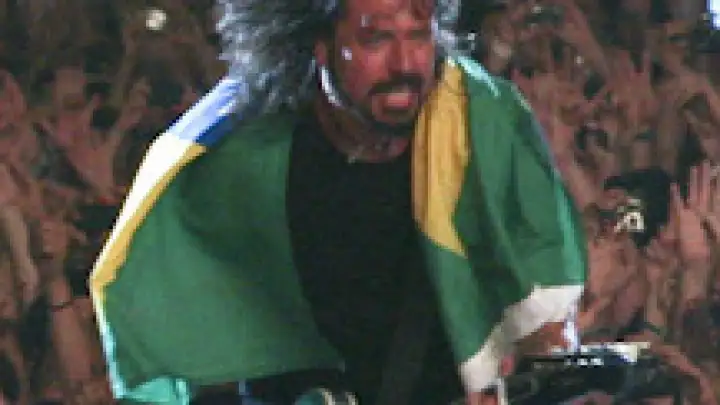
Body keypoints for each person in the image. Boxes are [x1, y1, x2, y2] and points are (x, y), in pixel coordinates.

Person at [88, 0, 587, 404]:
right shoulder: (245, 155)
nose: (406, 64)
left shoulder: (482, 125)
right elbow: (180, 289)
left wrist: (531, 373)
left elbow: (544, 299)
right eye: (376, 39)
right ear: (320, 47)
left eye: (418, 35)